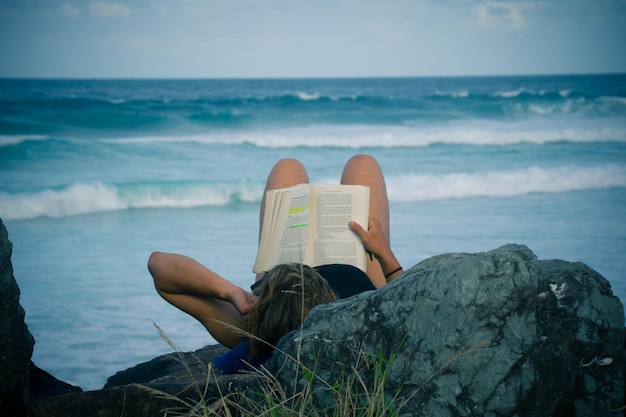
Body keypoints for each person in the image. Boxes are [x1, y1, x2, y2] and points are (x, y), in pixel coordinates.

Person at [147, 154, 403, 371]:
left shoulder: (251, 328)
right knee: (362, 164)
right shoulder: (358, 322)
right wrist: (383, 253)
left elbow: (160, 267)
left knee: (287, 167)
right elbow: (409, 305)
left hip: (286, 274)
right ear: (327, 301)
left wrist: (231, 292)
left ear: (262, 305)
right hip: (354, 269)